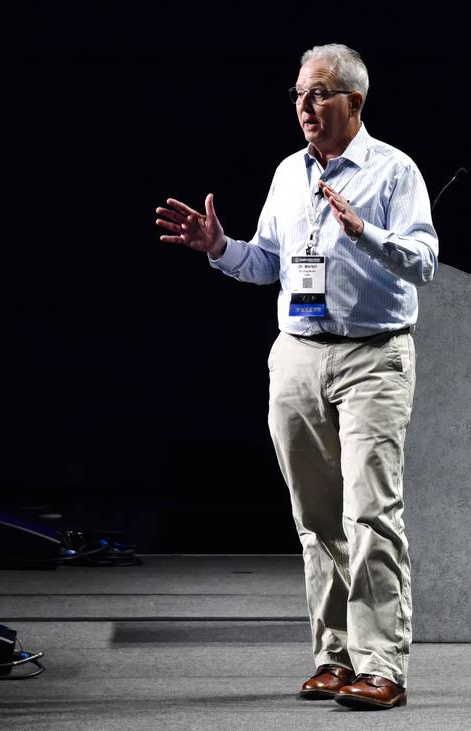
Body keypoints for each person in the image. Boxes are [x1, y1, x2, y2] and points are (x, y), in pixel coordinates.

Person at [155, 44, 437, 710]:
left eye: (319, 94)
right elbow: (268, 264)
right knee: (316, 519)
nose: (305, 107)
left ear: (354, 103)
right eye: (298, 95)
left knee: (371, 512)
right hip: (298, 355)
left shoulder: (394, 171)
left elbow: (423, 261)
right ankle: (334, 657)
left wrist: (364, 231)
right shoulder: (288, 173)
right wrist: (221, 248)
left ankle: (383, 666)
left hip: (374, 357)